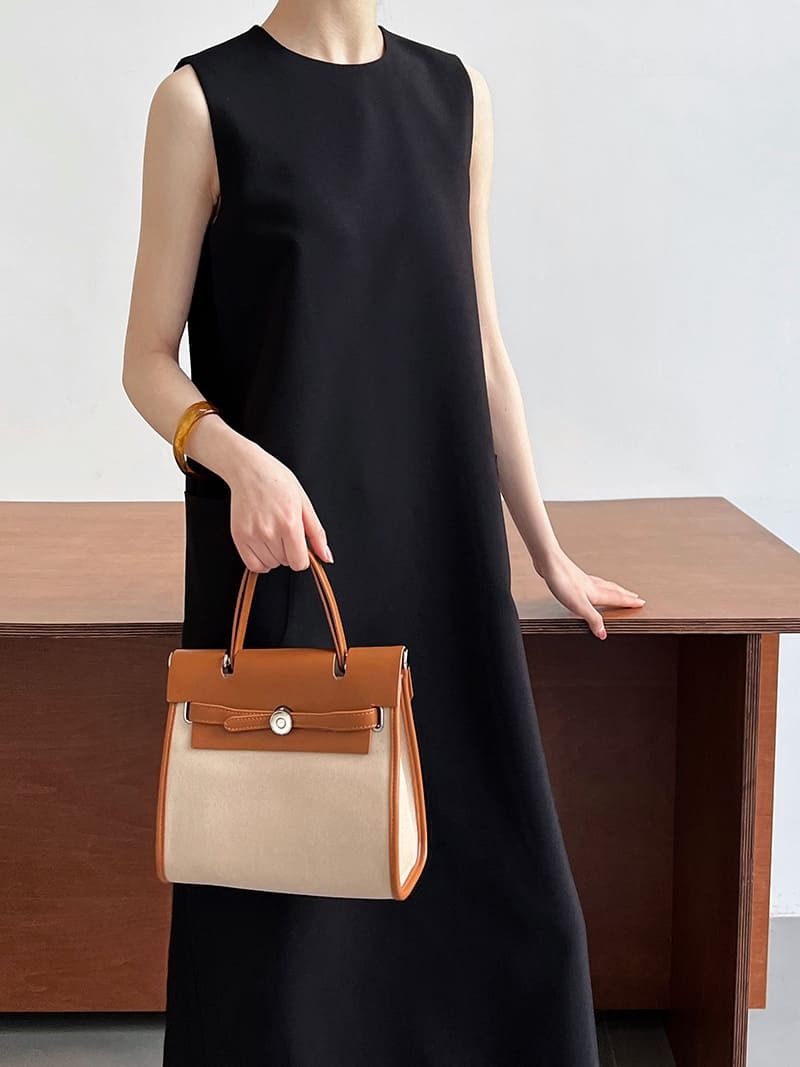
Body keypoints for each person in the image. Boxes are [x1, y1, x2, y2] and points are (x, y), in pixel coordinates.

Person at [122, 4, 646, 1064]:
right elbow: (145, 361)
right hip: (289, 555)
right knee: (289, 908)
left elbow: (482, 347)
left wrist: (544, 549)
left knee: (504, 890)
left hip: (444, 552)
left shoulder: (455, 97)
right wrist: (238, 459)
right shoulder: (202, 102)